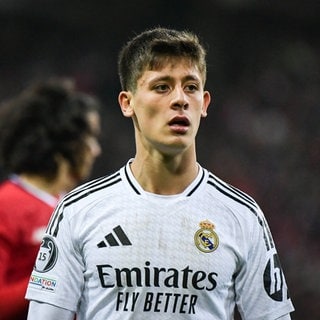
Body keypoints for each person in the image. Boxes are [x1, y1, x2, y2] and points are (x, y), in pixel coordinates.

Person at [25, 28, 294, 319]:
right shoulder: (78, 211)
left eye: (190, 87)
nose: (180, 99)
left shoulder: (242, 216)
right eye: (162, 87)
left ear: (203, 104)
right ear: (127, 103)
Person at [0, 77, 102, 320]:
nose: (96, 150)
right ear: (63, 141)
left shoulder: (81, 208)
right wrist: (58, 278)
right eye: (90, 137)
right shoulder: (6, 206)